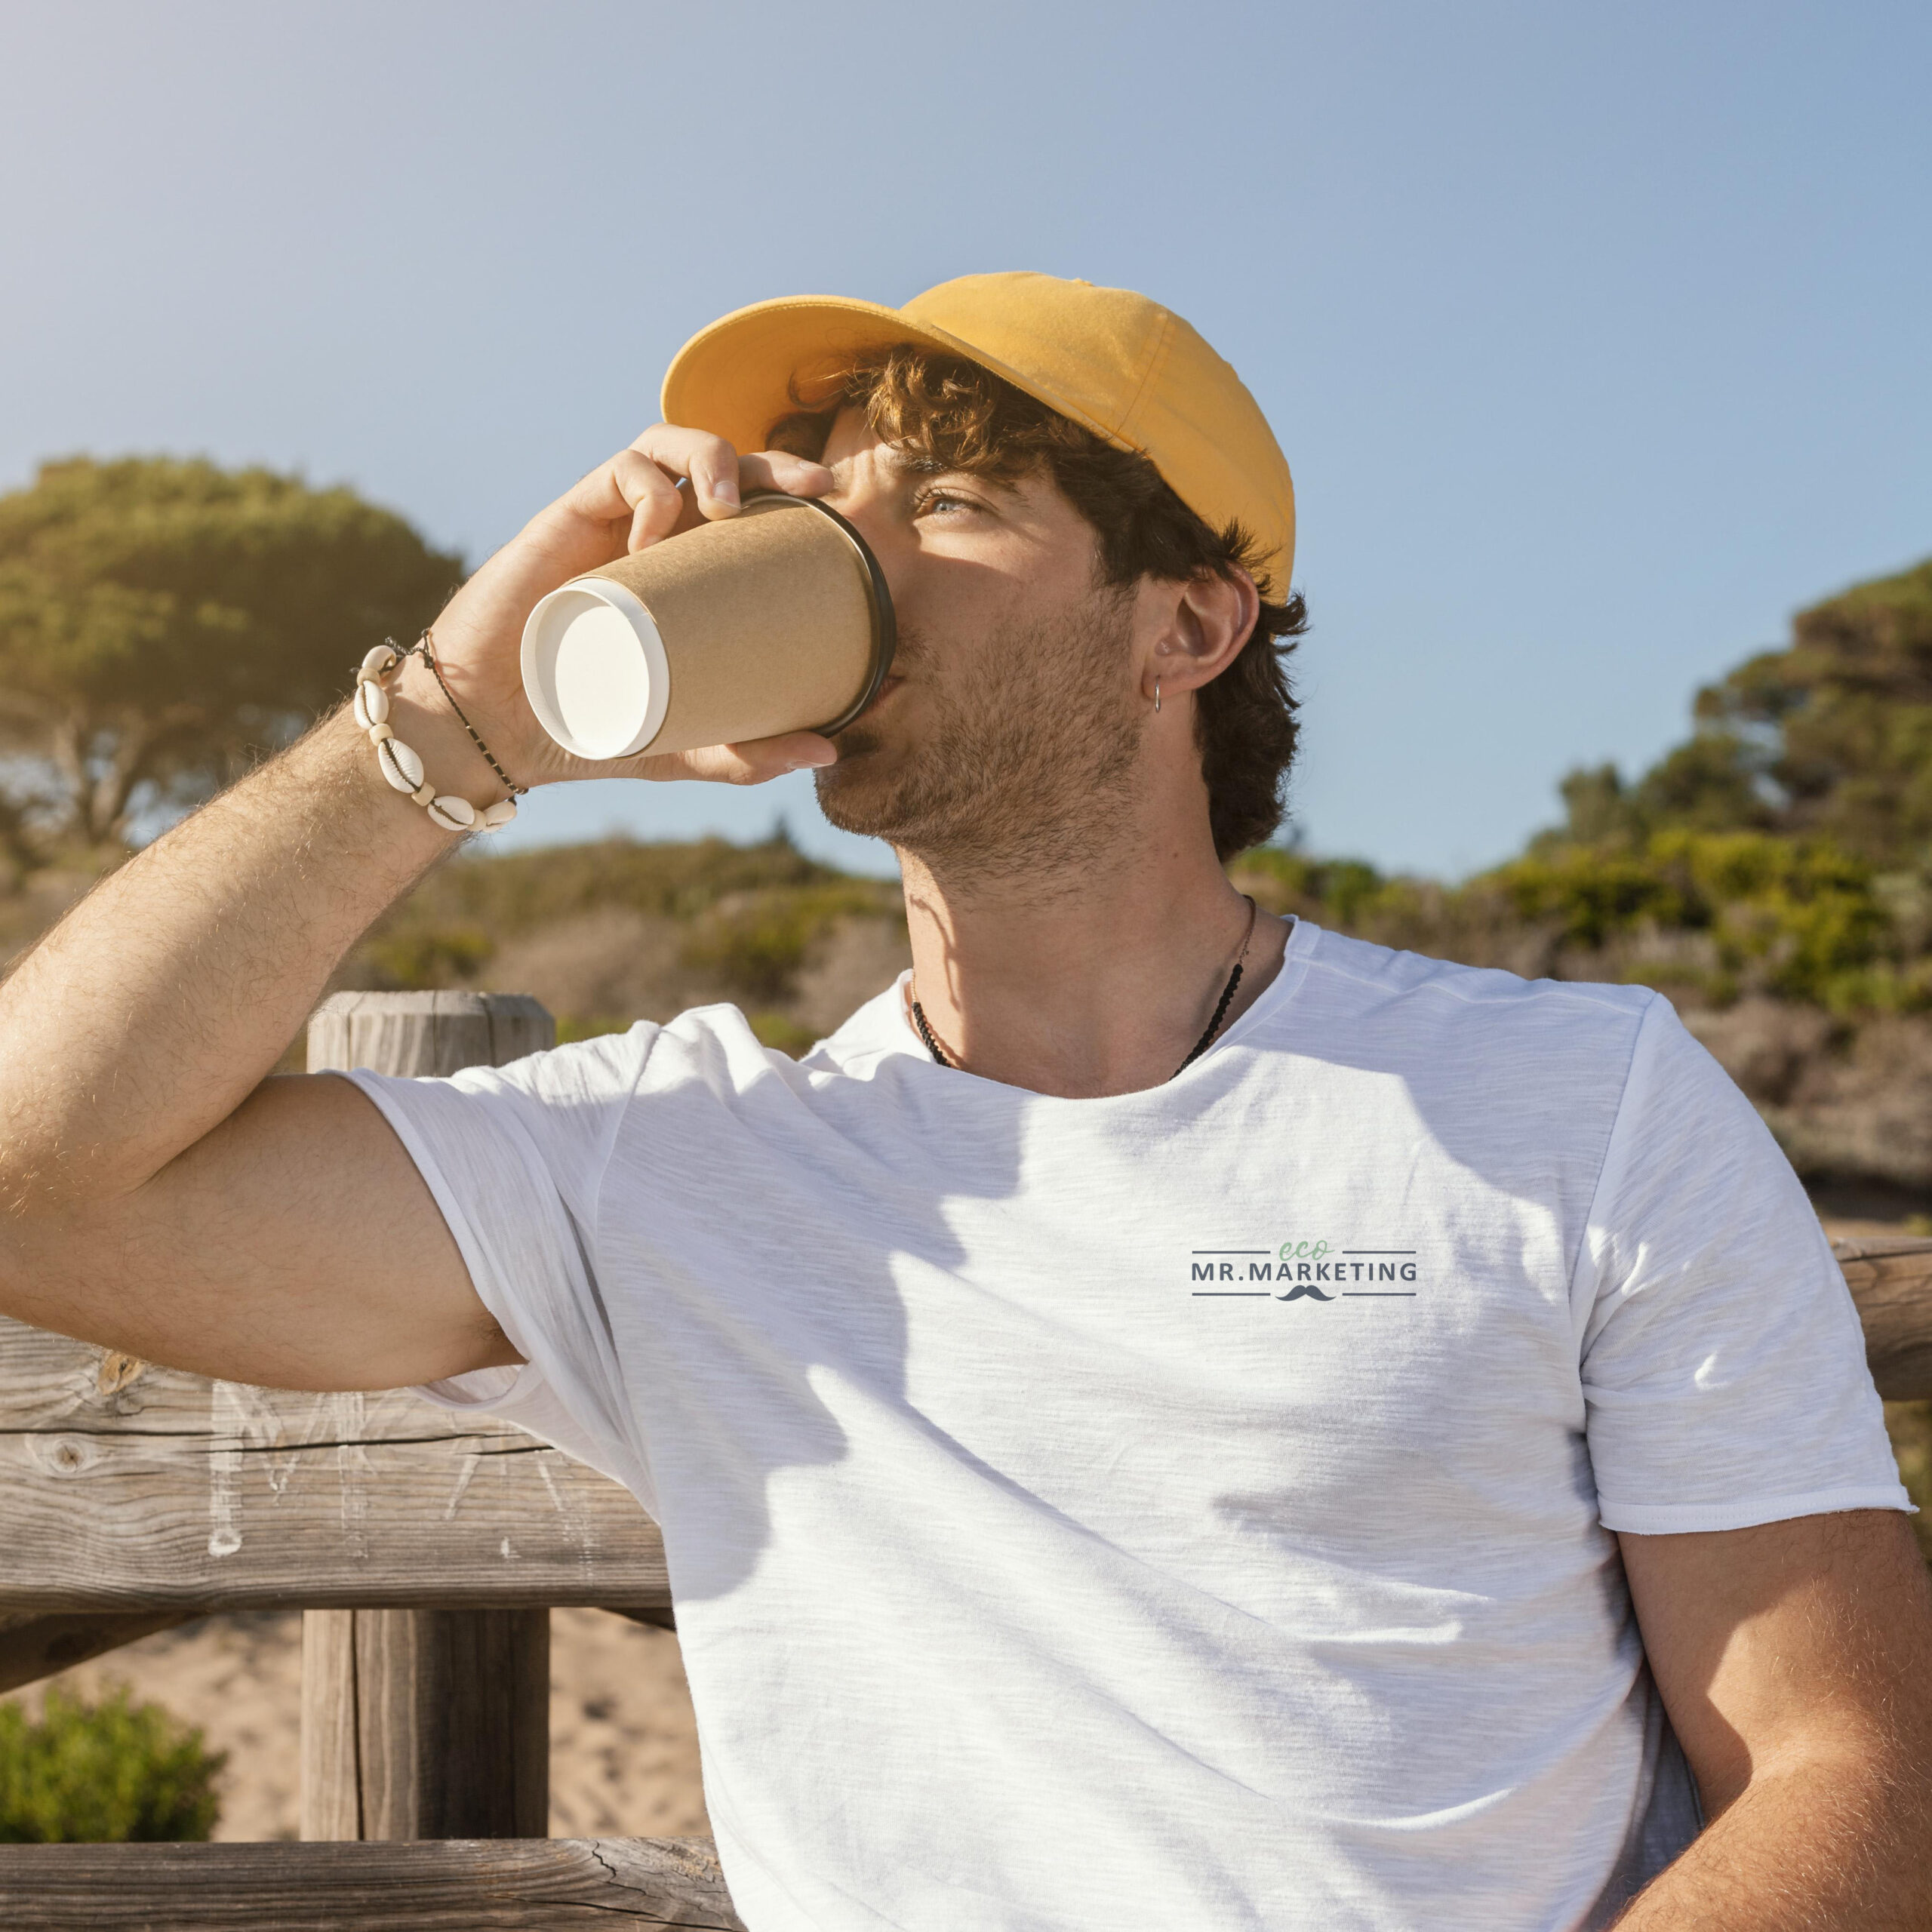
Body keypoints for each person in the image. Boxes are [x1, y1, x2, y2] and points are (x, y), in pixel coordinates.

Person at [0, 270, 1927, 1930]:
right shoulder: (669, 1162)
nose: (852, 560)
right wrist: (451, 720)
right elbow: (38, 1181)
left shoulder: (1567, 1099)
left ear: (1185, 625)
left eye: (946, 503)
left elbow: (1845, 1763)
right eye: (826, 506)